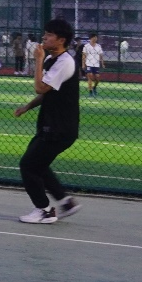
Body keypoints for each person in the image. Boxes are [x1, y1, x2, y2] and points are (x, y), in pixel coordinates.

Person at [13, 17, 83, 224]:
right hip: (53, 125)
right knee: (39, 164)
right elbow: (47, 92)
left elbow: (40, 87)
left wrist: (38, 60)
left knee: (28, 166)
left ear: (61, 40)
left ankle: (44, 209)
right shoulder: (55, 60)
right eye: (45, 34)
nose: (44, 37)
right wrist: (27, 107)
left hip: (59, 128)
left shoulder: (64, 62)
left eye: (49, 35)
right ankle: (66, 202)